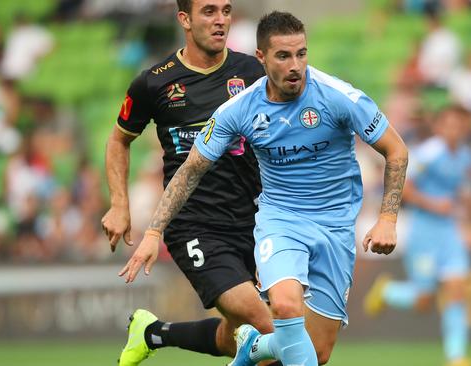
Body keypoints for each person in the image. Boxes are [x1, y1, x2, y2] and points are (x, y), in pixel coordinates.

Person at [120, 11, 409, 366]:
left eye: (301, 54)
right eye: (283, 56)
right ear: (261, 58)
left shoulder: (338, 97)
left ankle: (247, 350)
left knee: (316, 352)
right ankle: (253, 345)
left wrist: (388, 219)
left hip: (335, 226)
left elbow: (396, 150)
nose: (295, 66)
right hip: (280, 220)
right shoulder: (239, 109)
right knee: (283, 307)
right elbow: (190, 169)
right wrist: (153, 230)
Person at [101, 1, 275, 365]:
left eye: (226, 11)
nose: (220, 20)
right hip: (194, 225)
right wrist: (120, 203)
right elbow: (119, 139)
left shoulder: (252, 71)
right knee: (268, 327)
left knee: (235, 337)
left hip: (256, 223)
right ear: (184, 19)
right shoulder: (155, 81)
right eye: (209, 11)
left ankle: (151, 332)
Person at [364, 105, 471, 366]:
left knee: (457, 290)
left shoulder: (465, 156)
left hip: (449, 231)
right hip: (424, 231)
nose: (454, 130)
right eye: (449, 124)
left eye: (459, 125)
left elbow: (458, 192)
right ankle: (388, 291)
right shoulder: (429, 154)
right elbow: (404, 186)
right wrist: (434, 205)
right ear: (439, 127)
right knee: (424, 299)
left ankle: (456, 357)